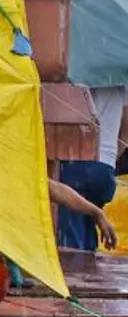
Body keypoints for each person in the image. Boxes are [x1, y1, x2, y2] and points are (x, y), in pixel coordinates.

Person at [57, 86, 126, 250]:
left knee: (70, 243)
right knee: (89, 232)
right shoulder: (120, 75)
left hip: (75, 163)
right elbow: (126, 131)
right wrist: (108, 158)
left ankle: (75, 273)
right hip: (105, 168)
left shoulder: (75, 74)